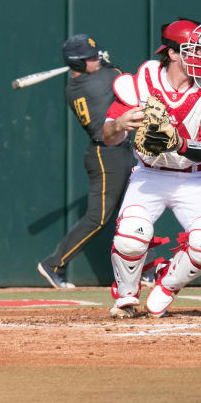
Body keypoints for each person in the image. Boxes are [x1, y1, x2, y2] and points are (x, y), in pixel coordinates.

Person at [102, 18, 201, 318]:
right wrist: (119, 124)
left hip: (193, 179)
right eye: (197, 50)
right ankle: (126, 296)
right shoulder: (143, 80)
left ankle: (167, 284)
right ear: (173, 53)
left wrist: (178, 143)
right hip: (149, 174)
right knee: (130, 236)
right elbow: (108, 136)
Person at [36, 34, 134, 289]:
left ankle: (146, 267)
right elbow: (123, 78)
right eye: (90, 58)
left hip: (115, 151)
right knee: (98, 217)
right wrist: (111, 65)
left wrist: (102, 62)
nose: (96, 59)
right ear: (77, 63)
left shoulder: (76, 86)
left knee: (135, 210)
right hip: (107, 155)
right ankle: (54, 263)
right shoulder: (99, 81)